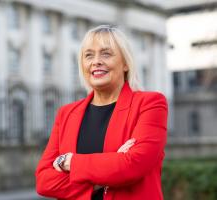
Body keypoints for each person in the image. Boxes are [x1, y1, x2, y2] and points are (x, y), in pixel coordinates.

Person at [35, 25, 168, 200]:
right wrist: (108, 171)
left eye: (106, 54)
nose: (96, 61)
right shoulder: (66, 113)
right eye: (88, 55)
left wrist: (69, 162)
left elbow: (133, 166)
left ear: (126, 63)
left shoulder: (150, 104)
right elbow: (44, 181)